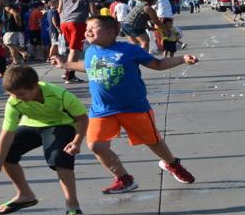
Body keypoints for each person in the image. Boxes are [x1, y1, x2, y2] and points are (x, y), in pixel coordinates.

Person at [49, 15, 198, 195]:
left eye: (93, 28)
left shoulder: (128, 50)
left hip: (133, 108)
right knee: (96, 145)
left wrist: (181, 59)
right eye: (87, 27)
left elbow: (157, 64)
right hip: (101, 109)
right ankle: (124, 179)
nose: (87, 31)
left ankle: (172, 164)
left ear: (111, 32)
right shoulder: (90, 50)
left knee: (152, 141)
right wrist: (65, 64)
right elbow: (89, 67)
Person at [0, 65, 89, 215]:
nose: (17, 98)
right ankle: (25, 195)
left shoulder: (59, 95)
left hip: (61, 124)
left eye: (21, 94)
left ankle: (72, 203)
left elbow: (82, 118)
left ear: (34, 87)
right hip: (32, 124)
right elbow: (6, 135)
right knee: (5, 153)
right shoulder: (14, 101)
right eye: (13, 95)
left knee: (59, 157)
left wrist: (77, 141)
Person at [57, 0, 98, 84]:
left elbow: (59, 9)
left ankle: (70, 72)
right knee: (74, 49)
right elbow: (93, 12)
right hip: (77, 23)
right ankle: (68, 74)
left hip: (64, 23)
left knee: (73, 48)